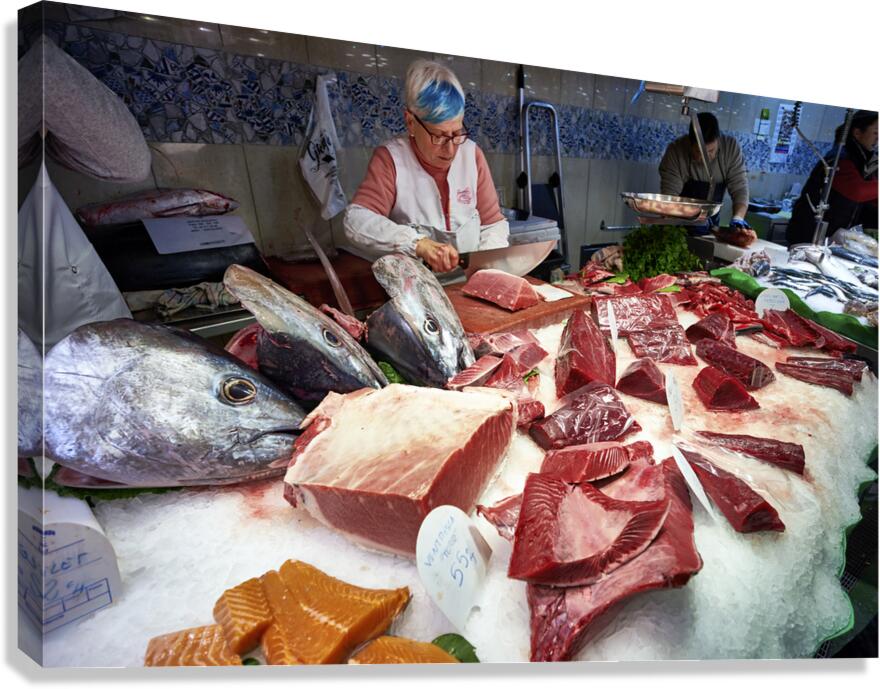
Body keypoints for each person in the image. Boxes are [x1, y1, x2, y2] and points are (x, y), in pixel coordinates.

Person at [343, 60, 509, 273]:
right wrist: (417, 243)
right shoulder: (391, 159)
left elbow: (493, 224)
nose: (450, 150)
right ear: (411, 122)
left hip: (469, 287)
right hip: (415, 290)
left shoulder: (471, 155)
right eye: (438, 136)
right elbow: (356, 220)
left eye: (457, 134)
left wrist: (486, 272)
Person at [786, 110, 878, 245]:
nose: (878, 138)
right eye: (875, 132)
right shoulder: (839, 158)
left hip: (835, 239)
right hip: (810, 235)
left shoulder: (866, 161)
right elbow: (857, 190)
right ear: (857, 133)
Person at [658, 112, 750, 230]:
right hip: (679, 224)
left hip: (711, 225)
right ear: (690, 144)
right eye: (699, 152)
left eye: (711, 151)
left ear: (718, 139)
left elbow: (740, 188)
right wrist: (669, 224)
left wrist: (738, 217)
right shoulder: (676, 151)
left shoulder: (731, 149)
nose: (706, 157)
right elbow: (669, 196)